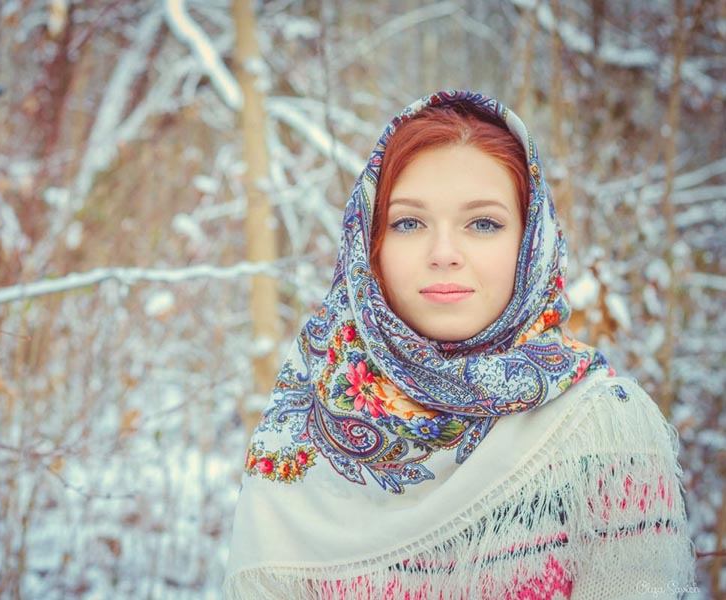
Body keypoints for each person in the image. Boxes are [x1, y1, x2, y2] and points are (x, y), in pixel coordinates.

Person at [223, 90, 695, 599]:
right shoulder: (304, 414)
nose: (444, 253)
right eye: (408, 223)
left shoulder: (604, 429)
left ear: (532, 242)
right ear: (368, 245)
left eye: (483, 223)